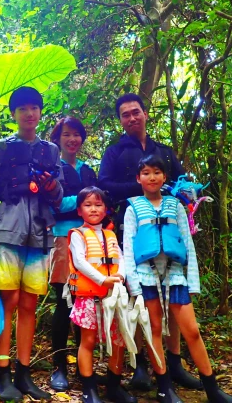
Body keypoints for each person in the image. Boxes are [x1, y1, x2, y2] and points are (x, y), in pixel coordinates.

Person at [98, 93, 201, 391]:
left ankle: (174, 362)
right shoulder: (114, 152)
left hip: (168, 230)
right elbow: (105, 186)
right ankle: (141, 364)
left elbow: (181, 184)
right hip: (132, 227)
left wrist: (184, 201)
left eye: (135, 112)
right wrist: (144, 186)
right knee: (140, 296)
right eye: (125, 114)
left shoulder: (164, 152)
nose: (131, 118)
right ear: (120, 120)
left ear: (145, 114)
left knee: (173, 295)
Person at [124, 155, 232, 403]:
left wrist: (193, 283)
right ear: (138, 178)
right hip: (146, 278)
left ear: (165, 177)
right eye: (145, 172)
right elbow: (128, 250)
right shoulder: (132, 208)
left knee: (192, 332)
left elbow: (187, 244)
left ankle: (212, 389)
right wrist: (135, 289)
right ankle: (165, 388)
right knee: (154, 331)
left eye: (156, 172)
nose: (151, 177)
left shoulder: (175, 206)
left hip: (175, 276)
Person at [0, 86, 63, 402]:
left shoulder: (50, 151)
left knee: (29, 305)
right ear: (14, 114)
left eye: (34, 108)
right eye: (22, 108)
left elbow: (58, 195)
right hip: (8, 233)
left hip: (39, 235)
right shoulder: (2, 148)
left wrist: (51, 185)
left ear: (40, 112)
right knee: (7, 303)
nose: (29, 113)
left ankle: (24, 374)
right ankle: (2, 376)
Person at [68, 186, 137, 403]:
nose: (94, 209)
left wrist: (120, 277)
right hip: (89, 297)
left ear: (105, 209)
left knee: (118, 341)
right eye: (88, 205)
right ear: (79, 210)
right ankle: (89, 389)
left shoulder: (110, 234)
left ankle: (114, 386)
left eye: (98, 205)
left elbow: (121, 258)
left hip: (113, 297)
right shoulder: (77, 235)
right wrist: (102, 280)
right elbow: (79, 261)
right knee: (87, 341)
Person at [48, 116, 97, 391]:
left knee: (86, 301)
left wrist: (79, 201)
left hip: (90, 240)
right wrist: (82, 200)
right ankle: (59, 368)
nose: (72, 139)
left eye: (76, 134)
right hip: (64, 239)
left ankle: (83, 366)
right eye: (66, 134)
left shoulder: (88, 169)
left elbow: (99, 201)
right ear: (58, 139)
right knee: (64, 302)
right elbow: (54, 205)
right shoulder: (54, 168)